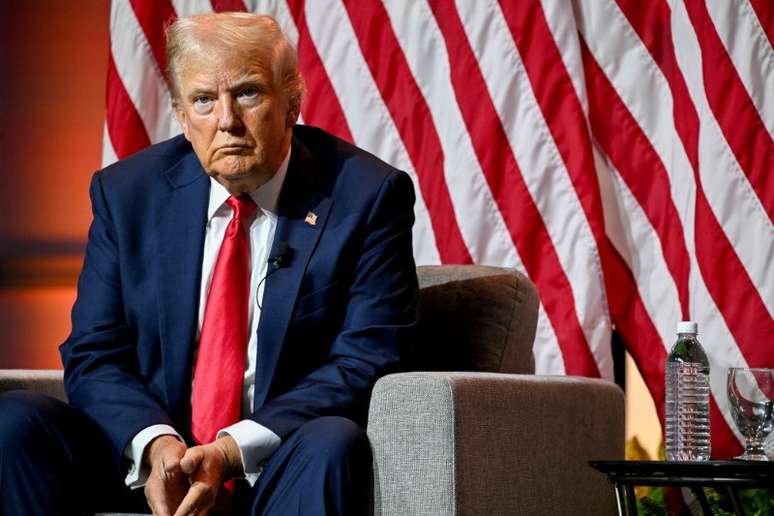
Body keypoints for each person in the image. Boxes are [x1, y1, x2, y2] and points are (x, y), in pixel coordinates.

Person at [0, 12, 418, 516]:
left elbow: (368, 357)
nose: (227, 120)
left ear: (292, 104)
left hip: (277, 462)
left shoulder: (365, 196)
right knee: (14, 422)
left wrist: (229, 450)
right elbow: (94, 352)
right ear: (180, 114)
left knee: (333, 442)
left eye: (248, 93)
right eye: (203, 100)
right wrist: (156, 447)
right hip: (149, 466)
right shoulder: (127, 194)